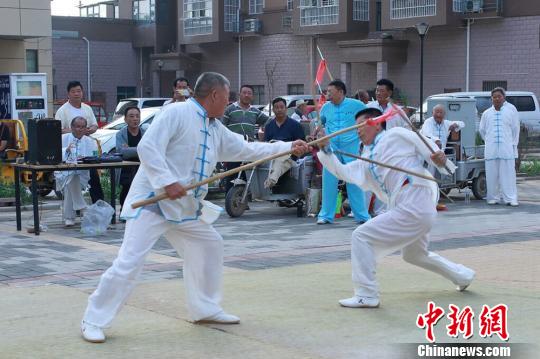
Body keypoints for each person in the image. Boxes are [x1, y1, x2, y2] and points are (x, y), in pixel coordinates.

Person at [80, 72, 309, 343]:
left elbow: (247, 150)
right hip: (152, 201)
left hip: (184, 207)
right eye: (226, 98)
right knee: (130, 262)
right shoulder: (176, 113)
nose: (229, 103)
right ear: (214, 96)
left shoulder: (215, 127)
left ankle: (205, 307)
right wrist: (167, 181)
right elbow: (148, 148)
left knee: (210, 244)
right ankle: (93, 320)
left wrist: (287, 147)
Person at [316, 108, 475, 308]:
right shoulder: (366, 157)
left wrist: (439, 158)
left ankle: (366, 294)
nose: (357, 131)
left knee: (361, 236)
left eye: (361, 125)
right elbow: (343, 172)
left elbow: (427, 147)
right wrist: (325, 149)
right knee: (414, 255)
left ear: (375, 123)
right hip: (407, 205)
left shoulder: (395, 134)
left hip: (416, 198)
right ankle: (463, 276)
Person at [317, 79, 370, 225]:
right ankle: (326, 216)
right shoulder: (326, 107)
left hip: (350, 148)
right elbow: (319, 124)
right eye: (327, 92)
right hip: (331, 149)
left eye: (330, 92)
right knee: (329, 181)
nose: (328, 95)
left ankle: (362, 216)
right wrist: (318, 132)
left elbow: (368, 119)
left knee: (354, 181)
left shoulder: (357, 105)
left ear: (340, 92)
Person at [55, 81, 104, 204]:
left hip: (86, 150)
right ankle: (74, 210)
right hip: (70, 153)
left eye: (79, 91)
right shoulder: (63, 110)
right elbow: (57, 130)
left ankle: (99, 206)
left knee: (94, 180)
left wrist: (88, 130)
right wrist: (75, 131)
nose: (76, 94)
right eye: (73, 91)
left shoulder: (87, 108)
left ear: (82, 93)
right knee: (71, 182)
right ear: (68, 94)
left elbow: (94, 126)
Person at [221, 84, 270, 193]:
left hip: (248, 147)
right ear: (240, 94)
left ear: (252, 96)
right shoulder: (230, 109)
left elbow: (268, 122)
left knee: (246, 175)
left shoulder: (255, 111)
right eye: (244, 93)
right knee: (231, 174)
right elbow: (222, 127)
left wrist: (263, 133)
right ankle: (230, 201)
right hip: (232, 147)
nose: (246, 95)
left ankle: (242, 201)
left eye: (249, 93)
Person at [479, 87, 520, 206]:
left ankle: (511, 198)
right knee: (491, 175)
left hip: (506, 148)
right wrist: (489, 141)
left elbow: (515, 130)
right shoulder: (486, 113)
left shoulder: (511, 110)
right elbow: (482, 131)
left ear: (504, 97)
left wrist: (513, 145)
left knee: (508, 175)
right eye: (494, 97)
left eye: (499, 96)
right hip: (491, 149)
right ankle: (493, 197)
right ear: (491, 99)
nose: (497, 99)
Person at [420, 104, 465, 211]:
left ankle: (433, 200)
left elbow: (462, 123)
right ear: (433, 113)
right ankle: (427, 201)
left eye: (441, 113)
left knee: (435, 179)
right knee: (428, 177)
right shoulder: (428, 122)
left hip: (440, 155)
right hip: (428, 154)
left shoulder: (446, 123)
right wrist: (436, 140)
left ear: (444, 114)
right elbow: (427, 133)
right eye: (436, 112)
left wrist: (455, 125)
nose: (438, 115)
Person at [55, 117, 98, 227]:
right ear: (72, 127)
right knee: (71, 178)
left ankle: (69, 218)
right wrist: (66, 150)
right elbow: (55, 155)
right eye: (77, 126)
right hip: (63, 174)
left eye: (83, 127)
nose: (80, 129)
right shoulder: (62, 138)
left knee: (73, 180)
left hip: (83, 174)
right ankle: (82, 206)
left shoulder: (90, 141)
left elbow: (95, 157)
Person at [264, 97, 306, 188]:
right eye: (276, 107)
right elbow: (266, 144)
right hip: (272, 155)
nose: (279, 110)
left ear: (286, 109)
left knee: (280, 160)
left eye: (281, 107)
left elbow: (302, 144)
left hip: (290, 156)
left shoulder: (295, 125)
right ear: (273, 110)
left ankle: (271, 181)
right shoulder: (269, 126)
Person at [115, 106, 145, 211]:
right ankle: (124, 210)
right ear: (125, 119)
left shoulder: (145, 132)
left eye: (137, 116)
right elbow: (122, 152)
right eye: (131, 116)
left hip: (142, 166)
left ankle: (138, 211)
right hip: (125, 167)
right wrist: (140, 149)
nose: (135, 119)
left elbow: (149, 149)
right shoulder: (120, 134)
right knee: (127, 186)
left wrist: (131, 150)